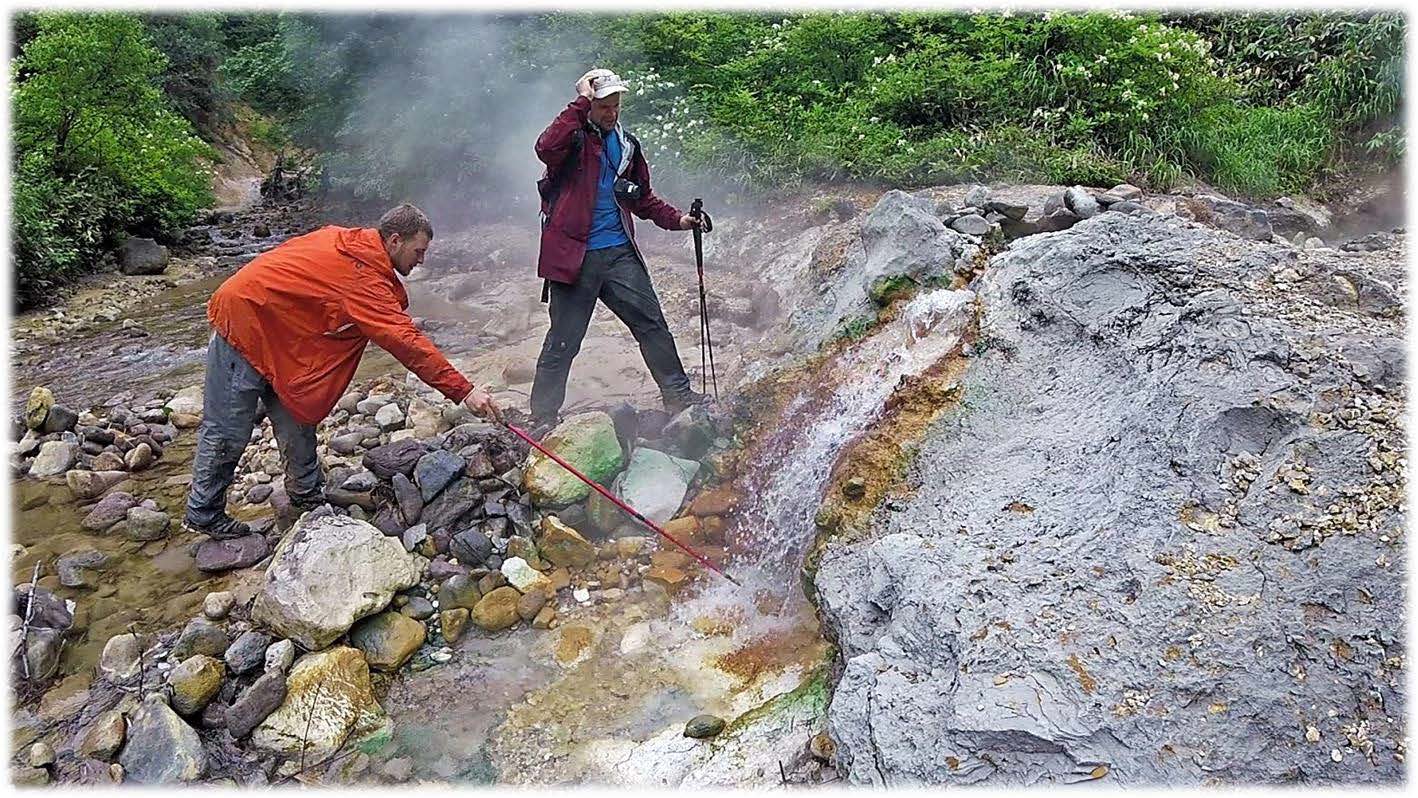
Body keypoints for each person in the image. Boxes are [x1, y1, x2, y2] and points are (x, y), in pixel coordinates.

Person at [183, 202, 503, 539]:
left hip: (280, 329)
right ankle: (203, 513)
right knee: (228, 428)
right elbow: (406, 342)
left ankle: (305, 494)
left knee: (298, 406)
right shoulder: (360, 276)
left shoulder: (348, 240)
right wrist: (464, 390)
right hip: (244, 322)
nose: (421, 260)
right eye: (418, 250)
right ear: (394, 240)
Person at [530, 68, 708, 432]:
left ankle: (678, 394)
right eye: (604, 106)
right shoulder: (572, 139)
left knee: (652, 325)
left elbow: (642, 199)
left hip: (618, 252)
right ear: (590, 104)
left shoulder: (627, 145)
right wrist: (580, 100)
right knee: (563, 341)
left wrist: (679, 221)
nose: (611, 113)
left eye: (616, 105)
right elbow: (544, 148)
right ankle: (543, 417)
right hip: (574, 258)